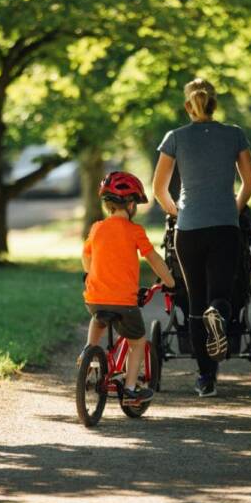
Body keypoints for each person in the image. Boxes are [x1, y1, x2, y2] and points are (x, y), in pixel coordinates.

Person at [152, 78, 251, 397]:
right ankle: (219, 314)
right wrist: (234, 208)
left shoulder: (175, 138)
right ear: (215, 104)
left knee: (195, 303)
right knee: (221, 293)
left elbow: (158, 188)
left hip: (189, 229)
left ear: (189, 105)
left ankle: (205, 378)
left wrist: (176, 213)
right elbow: (250, 182)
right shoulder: (234, 134)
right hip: (225, 226)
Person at [82, 171, 176, 406]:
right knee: (138, 342)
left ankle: (88, 354)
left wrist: (90, 274)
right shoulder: (135, 231)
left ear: (108, 205)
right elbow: (153, 258)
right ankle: (131, 390)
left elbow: (86, 256)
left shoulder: (96, 228)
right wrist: (171, 281)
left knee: (98, 318)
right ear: (132, 204)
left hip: (94, 298)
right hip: (123, 302)